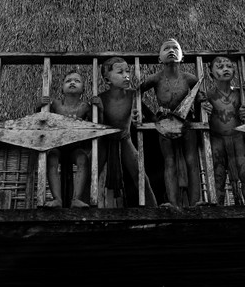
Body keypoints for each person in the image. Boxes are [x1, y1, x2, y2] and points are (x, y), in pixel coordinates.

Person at [140, 38, 202, 207]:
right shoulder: (155, 79)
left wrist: (199, 111)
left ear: (182, 56)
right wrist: (152, 117)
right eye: (166, 48)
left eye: (175, 48)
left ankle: (196, 201)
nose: (171, 50)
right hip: (165, 123)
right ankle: (173, 203)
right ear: (160, 58)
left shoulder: (189, 79)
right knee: (169, 161)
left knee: (191, 160)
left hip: (187, 123)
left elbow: (199, 97)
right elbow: (135, 94)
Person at [92, 57, 157, 207]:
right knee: (92, 170)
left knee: (140, 174)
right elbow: (97, 125)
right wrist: (99, 110)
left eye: (127, 71)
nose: (126, 75)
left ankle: (152, 207)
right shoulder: (101, 98)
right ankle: (80, 203)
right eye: (120, 72)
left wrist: (139, 116)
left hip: (125, 138)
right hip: (105, 140)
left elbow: (148, 115)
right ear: (107, 79)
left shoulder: (133, 95)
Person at [201, 56, 245, 206]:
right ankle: (218, 208)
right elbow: (199, 116)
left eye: (229, 66)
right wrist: (204, 110)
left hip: (238, 137)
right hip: (217, 138)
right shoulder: (208, 95)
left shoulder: (240, 94)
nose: (225, 69)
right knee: (218, 174)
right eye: (219, 67)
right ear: (210, 73)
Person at [38, 69, 92, 208]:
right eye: (68, 81)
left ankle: (76, 199)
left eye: (77, 81)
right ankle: (57, 199)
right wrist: (38, 106)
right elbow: (39, 121)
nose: (72, 82)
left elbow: (96, 124)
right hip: (58, 146)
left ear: (83, 89)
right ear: (62, 88)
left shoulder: (85, 106)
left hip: (75, 146)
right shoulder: (55, 104)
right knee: (51, 158)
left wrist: (100, 109)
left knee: (83, 159)